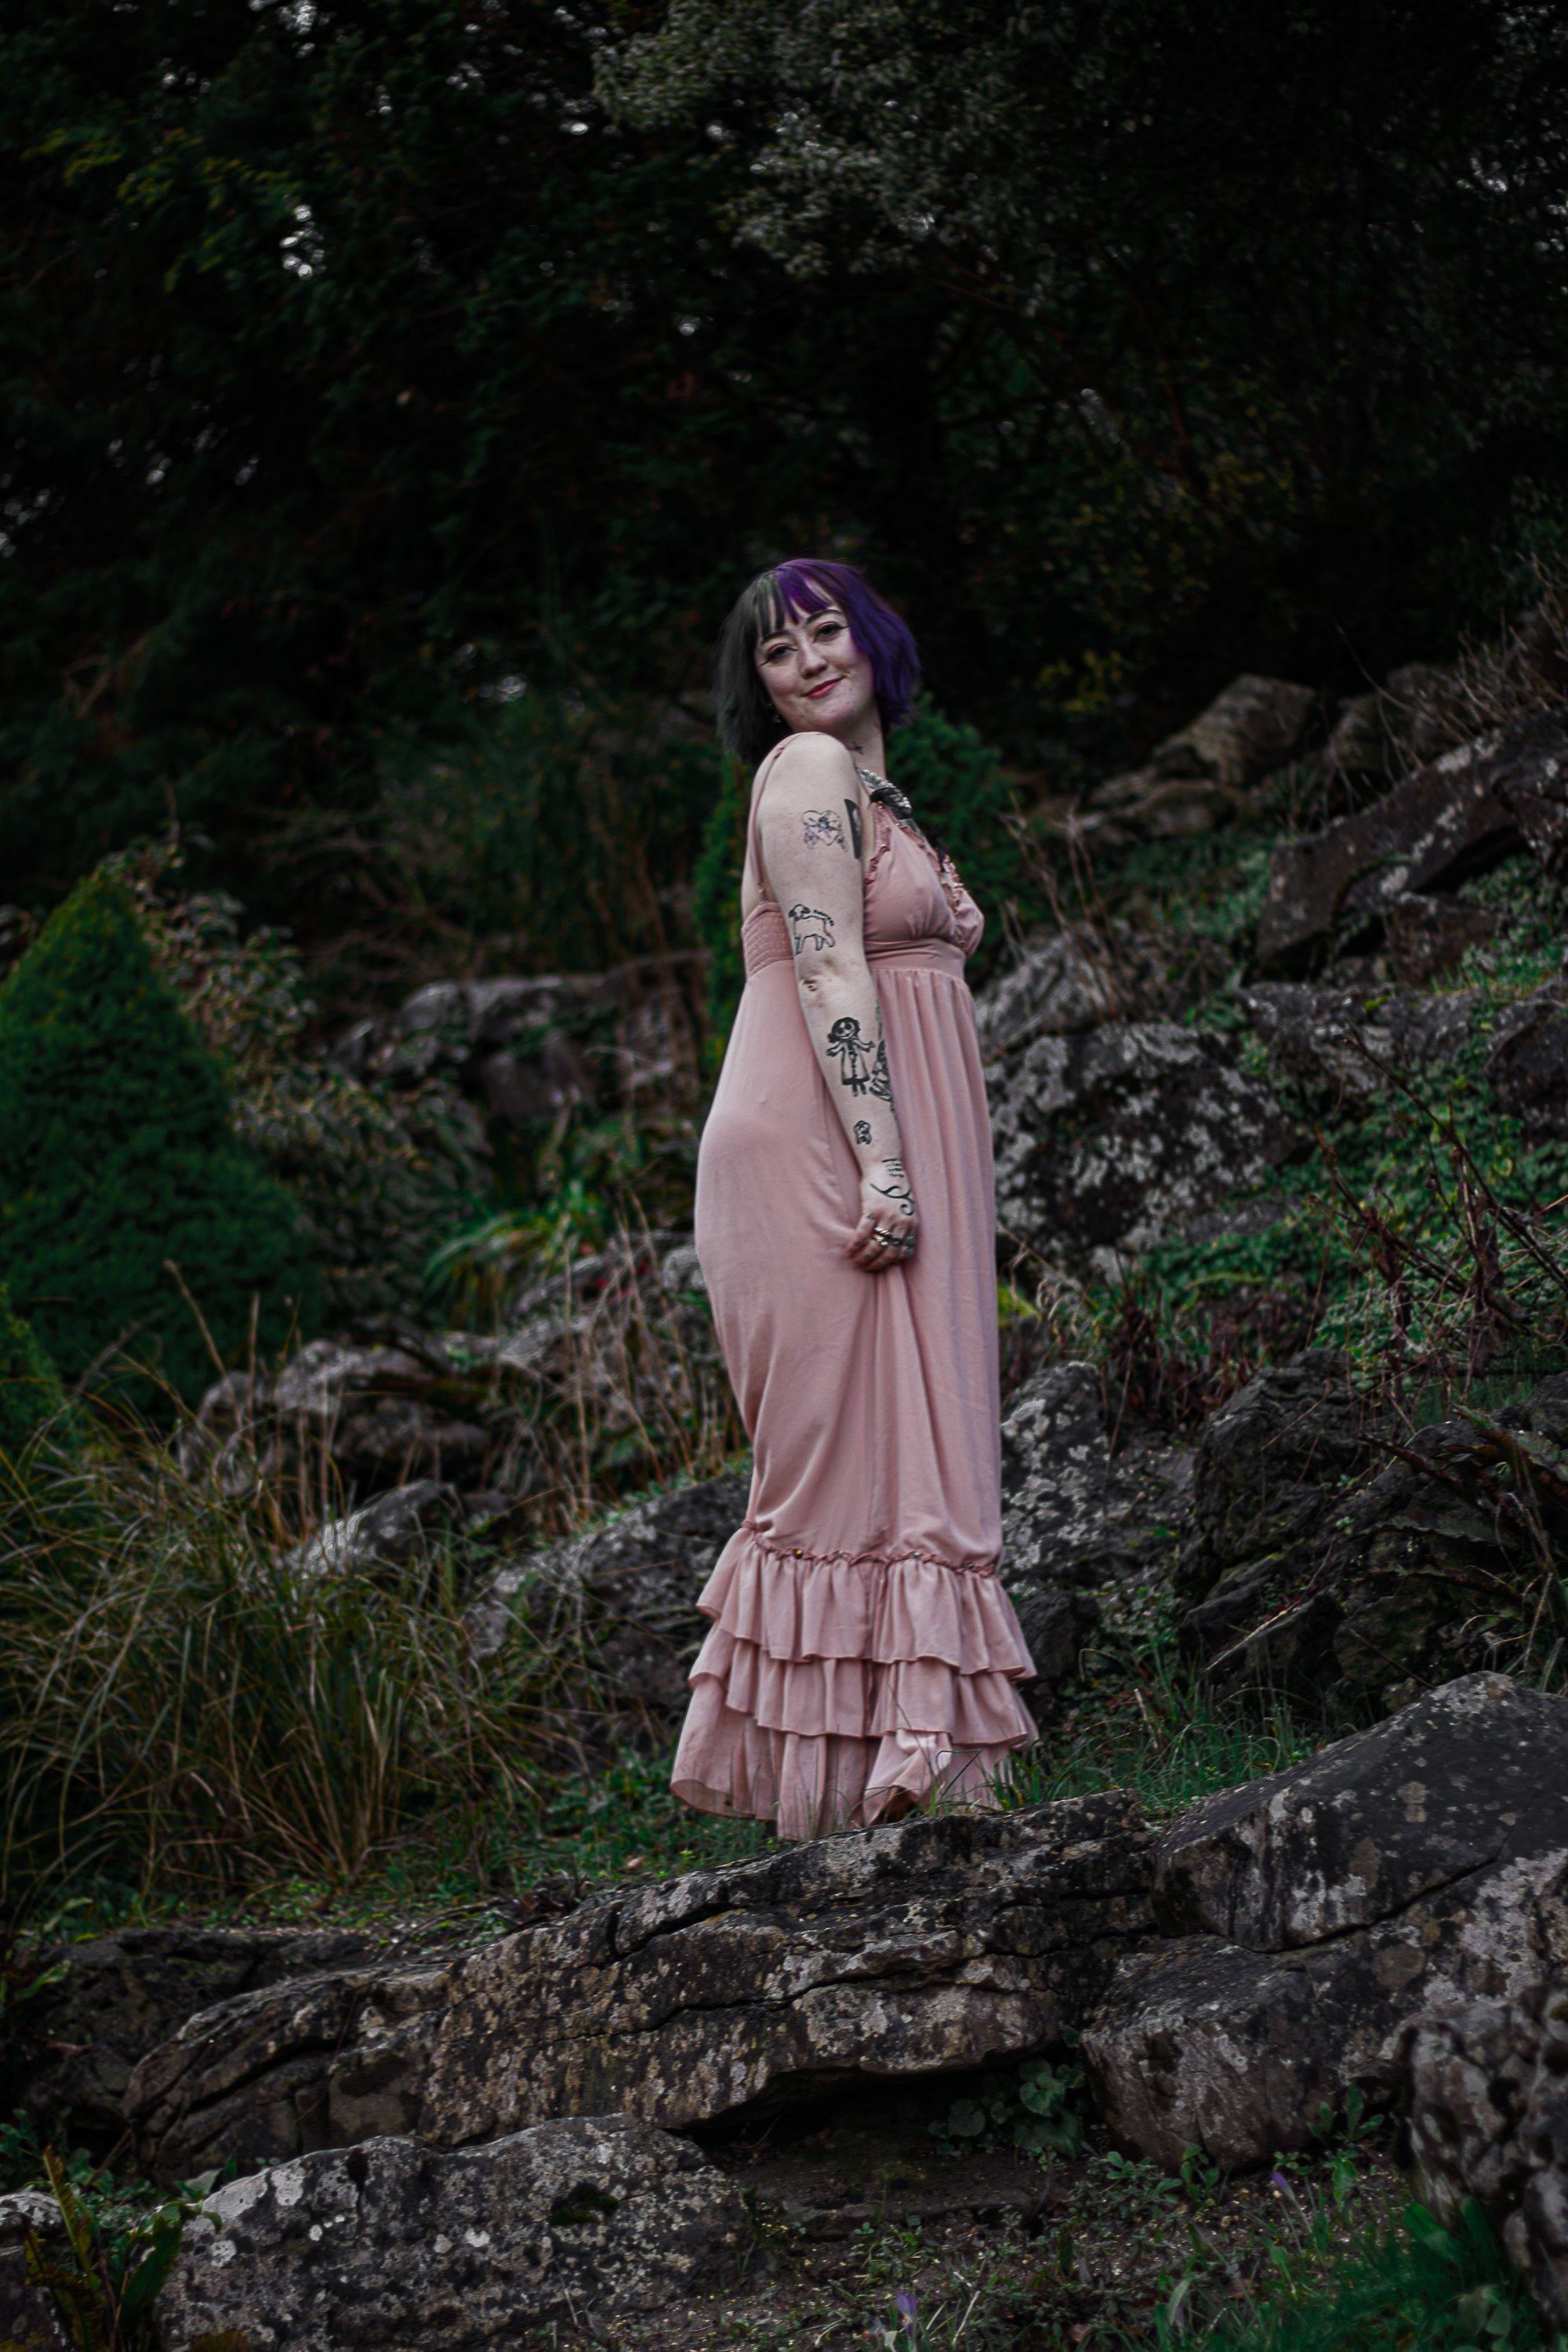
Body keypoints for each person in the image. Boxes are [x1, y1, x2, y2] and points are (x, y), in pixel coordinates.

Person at [670, 558, 1036, 1840]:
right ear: (759, 688)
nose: (809, 659)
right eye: (777, 651)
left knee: (911, 1446)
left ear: (874, 634)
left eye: (827, 629)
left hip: (885, 1135)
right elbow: (829, 970)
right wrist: (884, 1162)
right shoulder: (811, 774)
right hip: (818, 1150)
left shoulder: (879, 790)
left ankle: (899, 1784)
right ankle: (846, 1795)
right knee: (842, 1469)